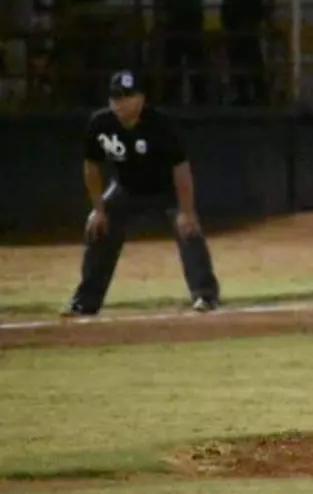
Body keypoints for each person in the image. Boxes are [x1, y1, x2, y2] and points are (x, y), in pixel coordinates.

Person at [62, 70, 221, 317]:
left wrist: (186, 211)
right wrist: (98, 209)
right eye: (115, 97)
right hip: (126, 187)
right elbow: (91, 166)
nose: (120, 103)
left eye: (127, 96)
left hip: (165, 188)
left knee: (189, 230)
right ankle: (85, 301)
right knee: (98, 229)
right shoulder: (100, 123)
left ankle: (205, 295)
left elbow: (181, 168)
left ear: (141, 99)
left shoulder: (161, 125)